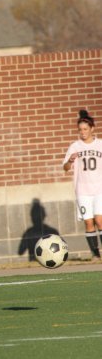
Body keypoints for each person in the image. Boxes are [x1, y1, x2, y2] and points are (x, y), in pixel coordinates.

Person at [63, 109, 102, 260]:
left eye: (85, 129)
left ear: (92, 128)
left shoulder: (100, 144)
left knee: (99, 220)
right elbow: (65, 168)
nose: (83, 132)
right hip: (83, 190)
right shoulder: (75, 146)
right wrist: (70, 161)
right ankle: (95, 255)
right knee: (88, 222)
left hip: (99, 189)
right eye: (80, 130)